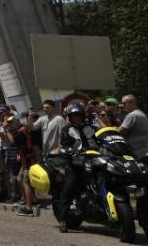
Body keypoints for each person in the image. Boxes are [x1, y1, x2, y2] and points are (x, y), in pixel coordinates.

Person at [56, 100, 97, 233]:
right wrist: (69, 151)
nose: (76, 118)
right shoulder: (66, 130)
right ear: (70, 117)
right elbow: (63, 146)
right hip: (76, 163)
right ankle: (63, 219)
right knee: (69, 188)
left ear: (82, 115)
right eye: (74, 116)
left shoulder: (91, 127)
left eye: (78, 115)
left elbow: (100, 140)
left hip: (94, 162)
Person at [6, 115, 37, 216]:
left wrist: (7, 131)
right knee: (20, 179)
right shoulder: (22, 130)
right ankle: (32, 199)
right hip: (25, 160)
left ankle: (29, 209)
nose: (9, 124)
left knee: (25, 182)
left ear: (17, 122)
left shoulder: (20, 132)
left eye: (11, 122)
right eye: (9, 123)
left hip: (28, 161)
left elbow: (12, 142)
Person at [118, 94, 148, 163]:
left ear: (133, 103)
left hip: (137, 155)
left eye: (124, 103)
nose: (122, 106)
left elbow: (118, 132)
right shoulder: (142, 114)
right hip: (146, 153)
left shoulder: (132, 115)